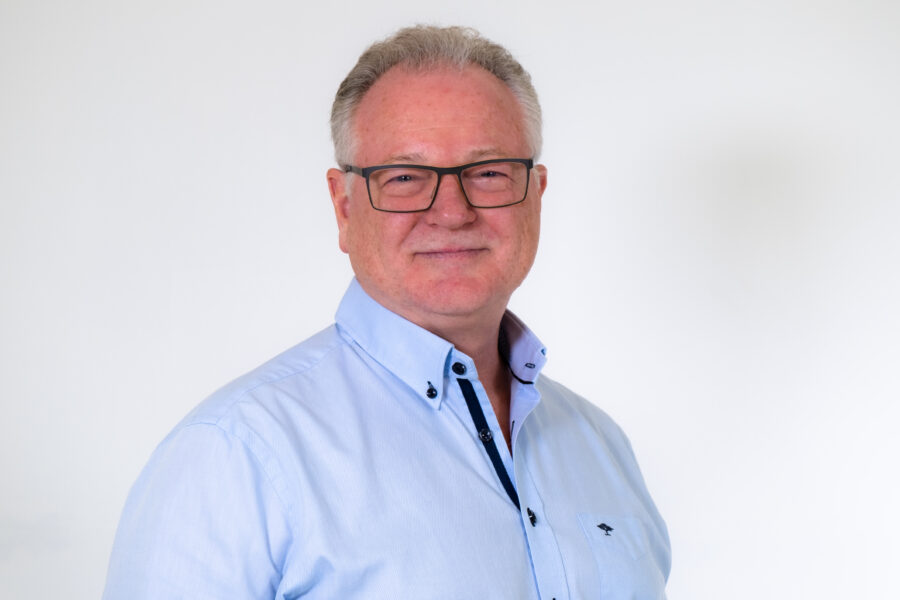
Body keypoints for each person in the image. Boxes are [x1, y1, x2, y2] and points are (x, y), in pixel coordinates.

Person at [103, 25, 670, 599]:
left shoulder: (600, 445)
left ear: (536, 193)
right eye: (404, 177)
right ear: (343, 207)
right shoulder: (234, 455)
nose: (452, 212)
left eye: (489, 172)